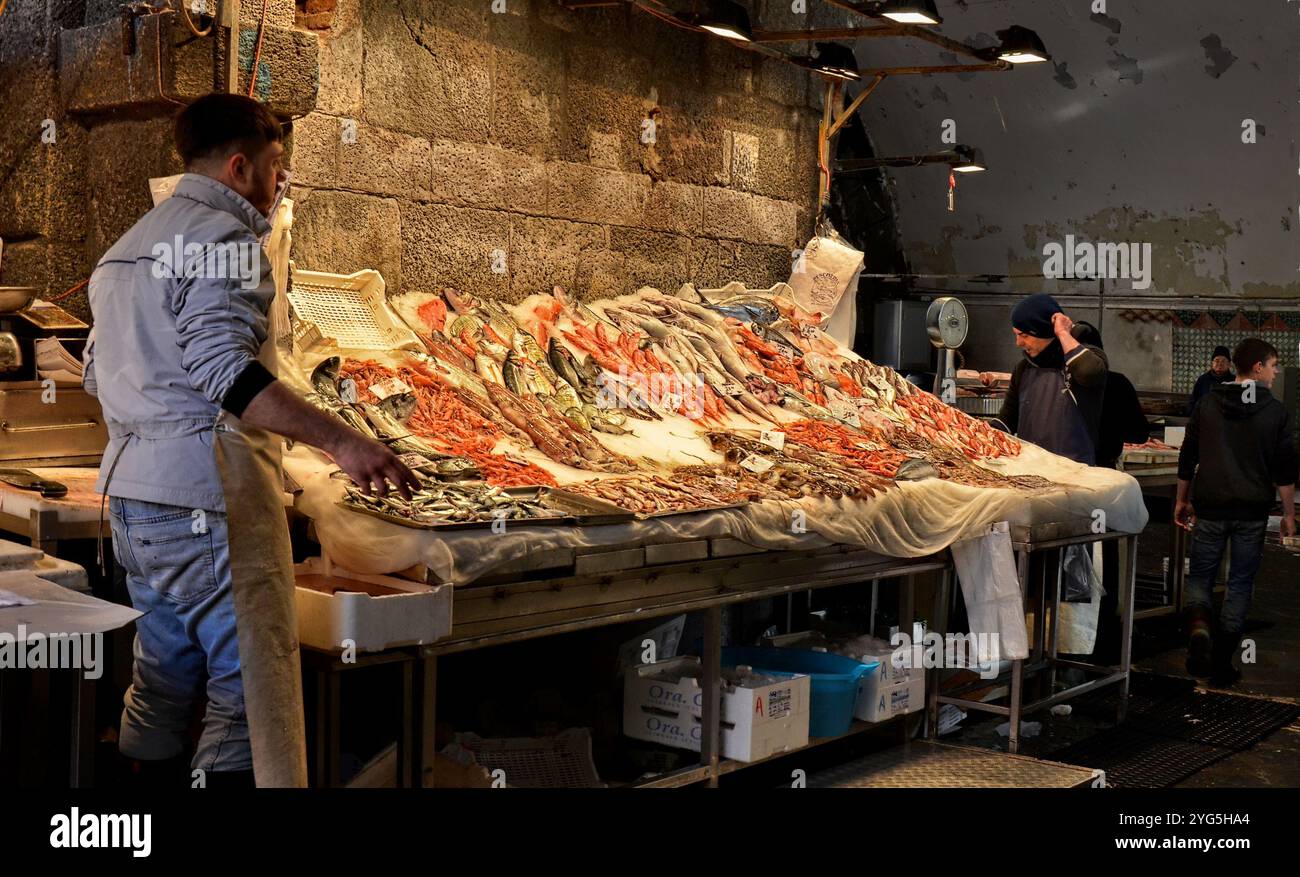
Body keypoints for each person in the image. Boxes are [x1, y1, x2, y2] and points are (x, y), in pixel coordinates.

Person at [83, 93, 419, 787]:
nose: (280, 185)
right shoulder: (228, 240)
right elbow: (223, 373)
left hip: (133, 502)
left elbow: (95, 375)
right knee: (247, 696)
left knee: (163, 677)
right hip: (206, 501)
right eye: (276, 168)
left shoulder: (125, 249)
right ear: (240, 167)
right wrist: (344, 442)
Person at [1175, 338, 1297, 684]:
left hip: (1210, 505)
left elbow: (1189, 455)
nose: (1275, 373)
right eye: (1273, 365)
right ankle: (1223, 660)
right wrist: (1289, 514)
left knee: (1201, 577)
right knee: (1240, 583)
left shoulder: (1209, 403)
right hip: (1251, 511)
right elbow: (1284, 469)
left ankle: (1200, 633)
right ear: (1257, 367)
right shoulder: (1275, 412)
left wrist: (1182, 499)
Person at [983, 293, 1109, 464]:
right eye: (1016, 334)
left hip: (1076, 473)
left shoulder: (1089, 358)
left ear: (1044, 331)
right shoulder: (1024, 368)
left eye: (1024, 335)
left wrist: (1062, 332)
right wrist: (976, 431)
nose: (1018, 343)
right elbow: (1007, 421)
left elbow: (1089, 373)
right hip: (1032, 471)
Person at [1068, 321, 1150, 469]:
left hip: (1062, 468)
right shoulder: (1118, 383)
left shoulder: (1054, 380)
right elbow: (1139, 434)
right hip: (1102, 470)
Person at [1188, 345, 1232, 413]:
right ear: (1212, 363)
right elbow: (1193, 402)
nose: (1220, 364)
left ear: (1229, 364)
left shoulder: (1234, 381)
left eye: (1223, 361)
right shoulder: (1203, 379)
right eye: (1217, 361)